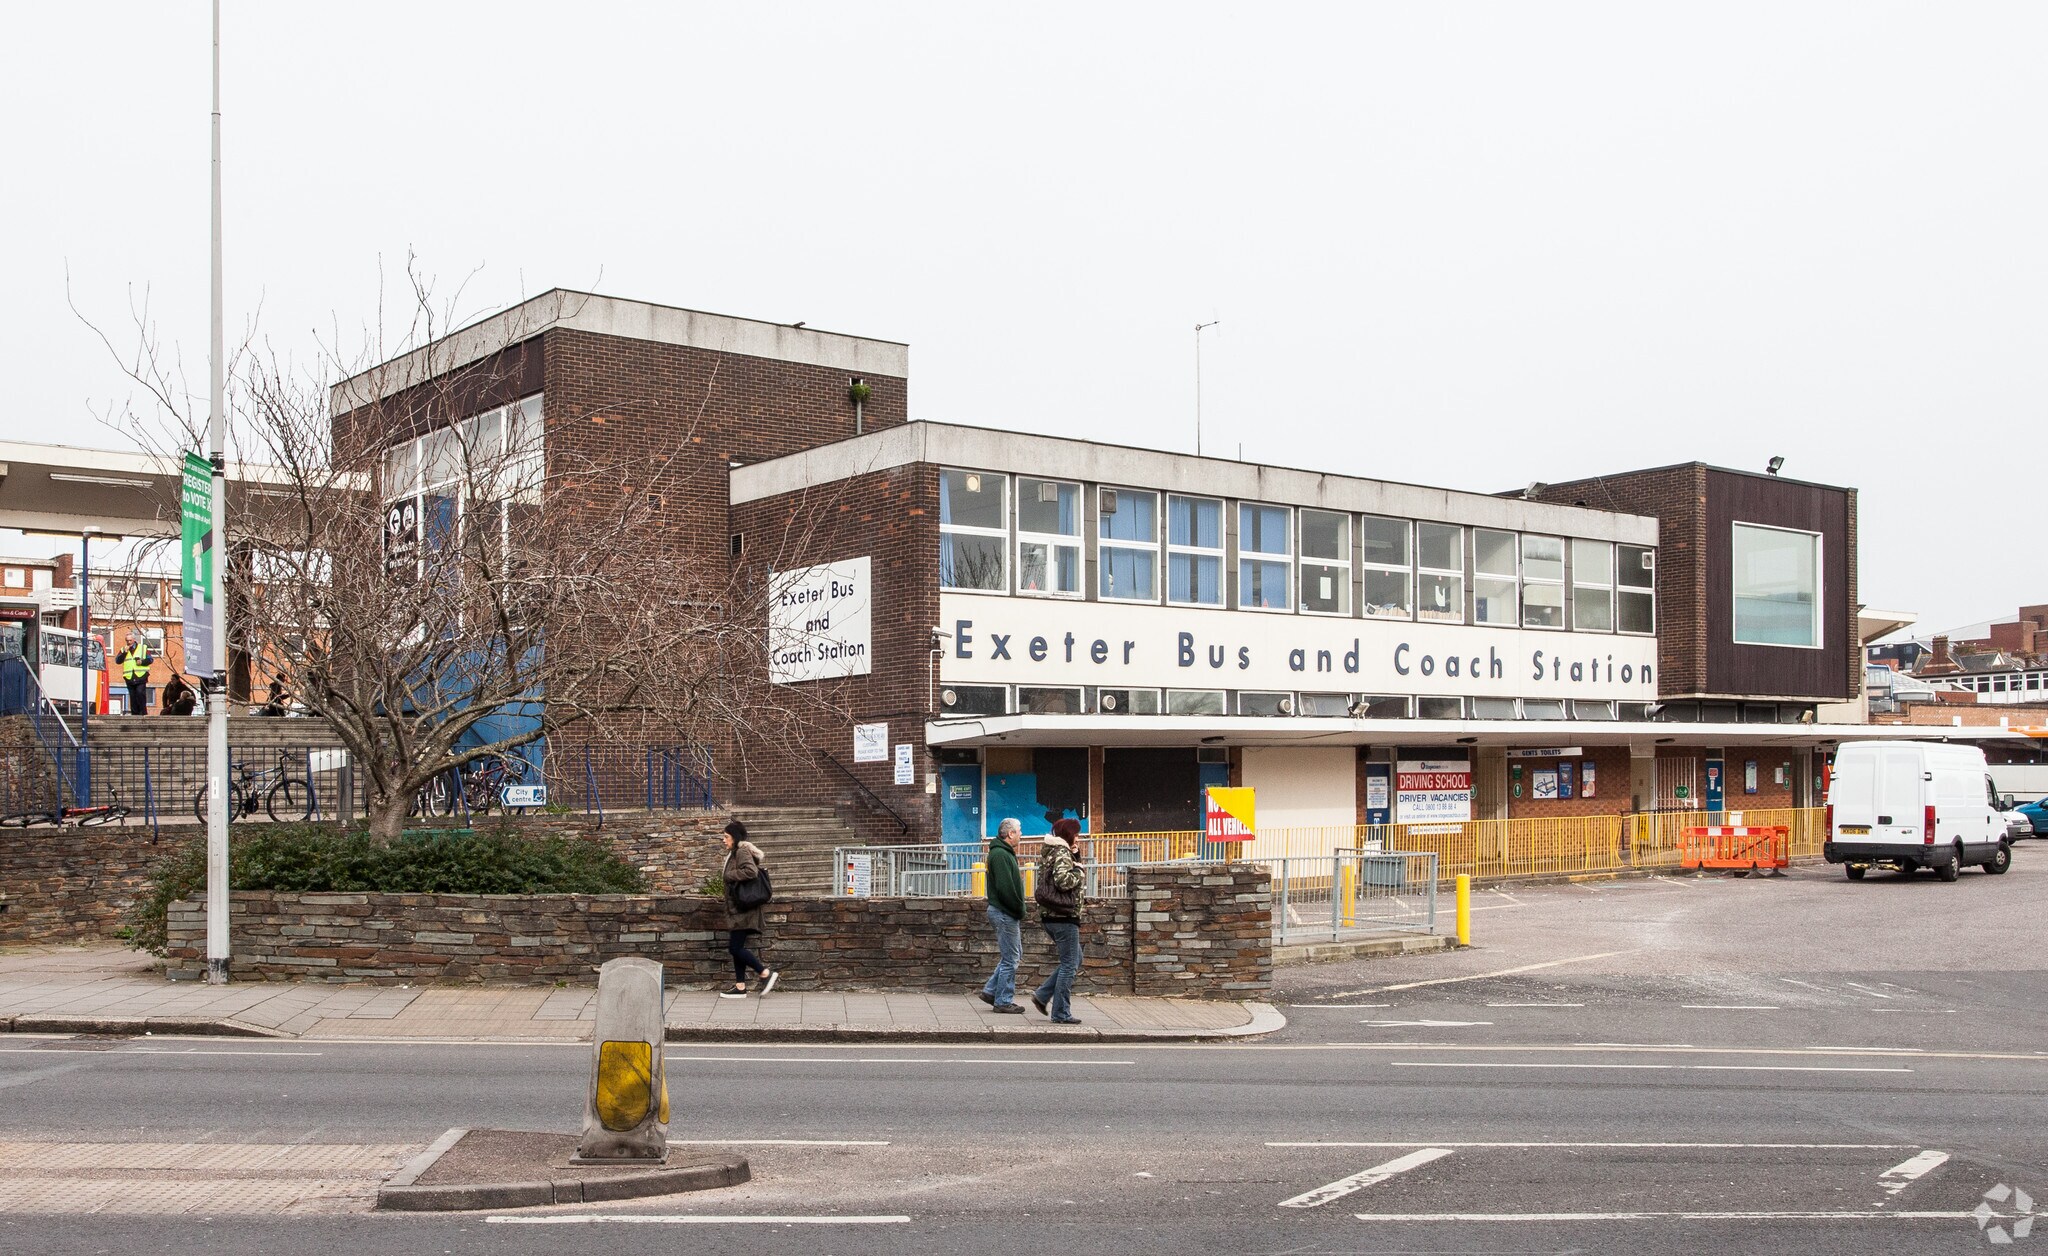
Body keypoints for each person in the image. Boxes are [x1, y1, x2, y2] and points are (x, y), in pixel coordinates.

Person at [1030, 817, 1087, 1025]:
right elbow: (1064, 881)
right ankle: (1061, 1013)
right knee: (1069, 965)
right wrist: (1079, 871)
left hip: (1052, 915)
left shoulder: (1054, 852)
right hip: (1063, 916)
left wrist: (1076, 856)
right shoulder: (1061, 852)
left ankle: (1042, 995)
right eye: (1077, 834)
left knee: (1075, 959)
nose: (1079, 838)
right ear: (1068, 834)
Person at [719, 820, 778, 998]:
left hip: (743, 909)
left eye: (726, 837)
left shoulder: (742, 851)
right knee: (737, 947)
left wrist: (729, 875)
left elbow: (751, 871)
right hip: (739, 908)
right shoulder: (735, 852)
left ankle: (765, 973)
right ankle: (740, 987)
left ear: (735, 838)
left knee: (735, 948)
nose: (723, 840)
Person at [978, 818, 1027, 1014]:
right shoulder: (999, 855)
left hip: (1005, 911)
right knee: (1011, 959)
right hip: (1004, 912)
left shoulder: (1003, 853)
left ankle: (991, 991)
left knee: (1013, 955)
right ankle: (1003, 1001)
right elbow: (1005, 888)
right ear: (1010, 834)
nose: (1021, 834)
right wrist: (1019, 909)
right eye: (1019, 830)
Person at [115, 632, 152, 716]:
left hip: (141, 675)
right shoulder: (123, 649)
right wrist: (124, 653)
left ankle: (143, 713)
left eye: (130, 640)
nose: (128, 643)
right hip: (129, 677)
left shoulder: (143, 648)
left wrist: (142, 662)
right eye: (127, 641)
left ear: (134, 640)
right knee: (133, 696)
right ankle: (135, 714)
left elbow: (150, 660)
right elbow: (118, 661)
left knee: (140, 693)